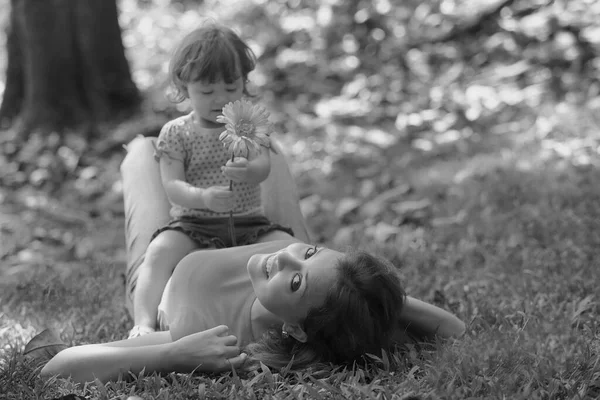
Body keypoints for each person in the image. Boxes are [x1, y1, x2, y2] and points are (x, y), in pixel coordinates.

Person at [39, 137, 465, 384]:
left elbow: (58, 368)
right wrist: (373, 298)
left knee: (140, 152)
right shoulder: (295, 259)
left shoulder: (221, 341)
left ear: (296, 329)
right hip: (257, 227)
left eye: (295, 283)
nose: (285, 261)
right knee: (264, 149)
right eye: (309, 256)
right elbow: (455, 330)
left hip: (166, 259)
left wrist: (171, 355)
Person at [129, 23, 295, 339]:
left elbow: (263, 165)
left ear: (244, 83)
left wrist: (251, 170)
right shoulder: (177, 133)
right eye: (207, 91)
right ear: (183, 87)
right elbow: (172, 186)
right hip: (194, 225)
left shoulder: (247, 123)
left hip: (249, 223)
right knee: (160, 251)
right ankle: (143, 322)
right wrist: (203, 198)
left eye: (231, 88)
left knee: (288, 246)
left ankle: (299, 310)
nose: (220, 98)